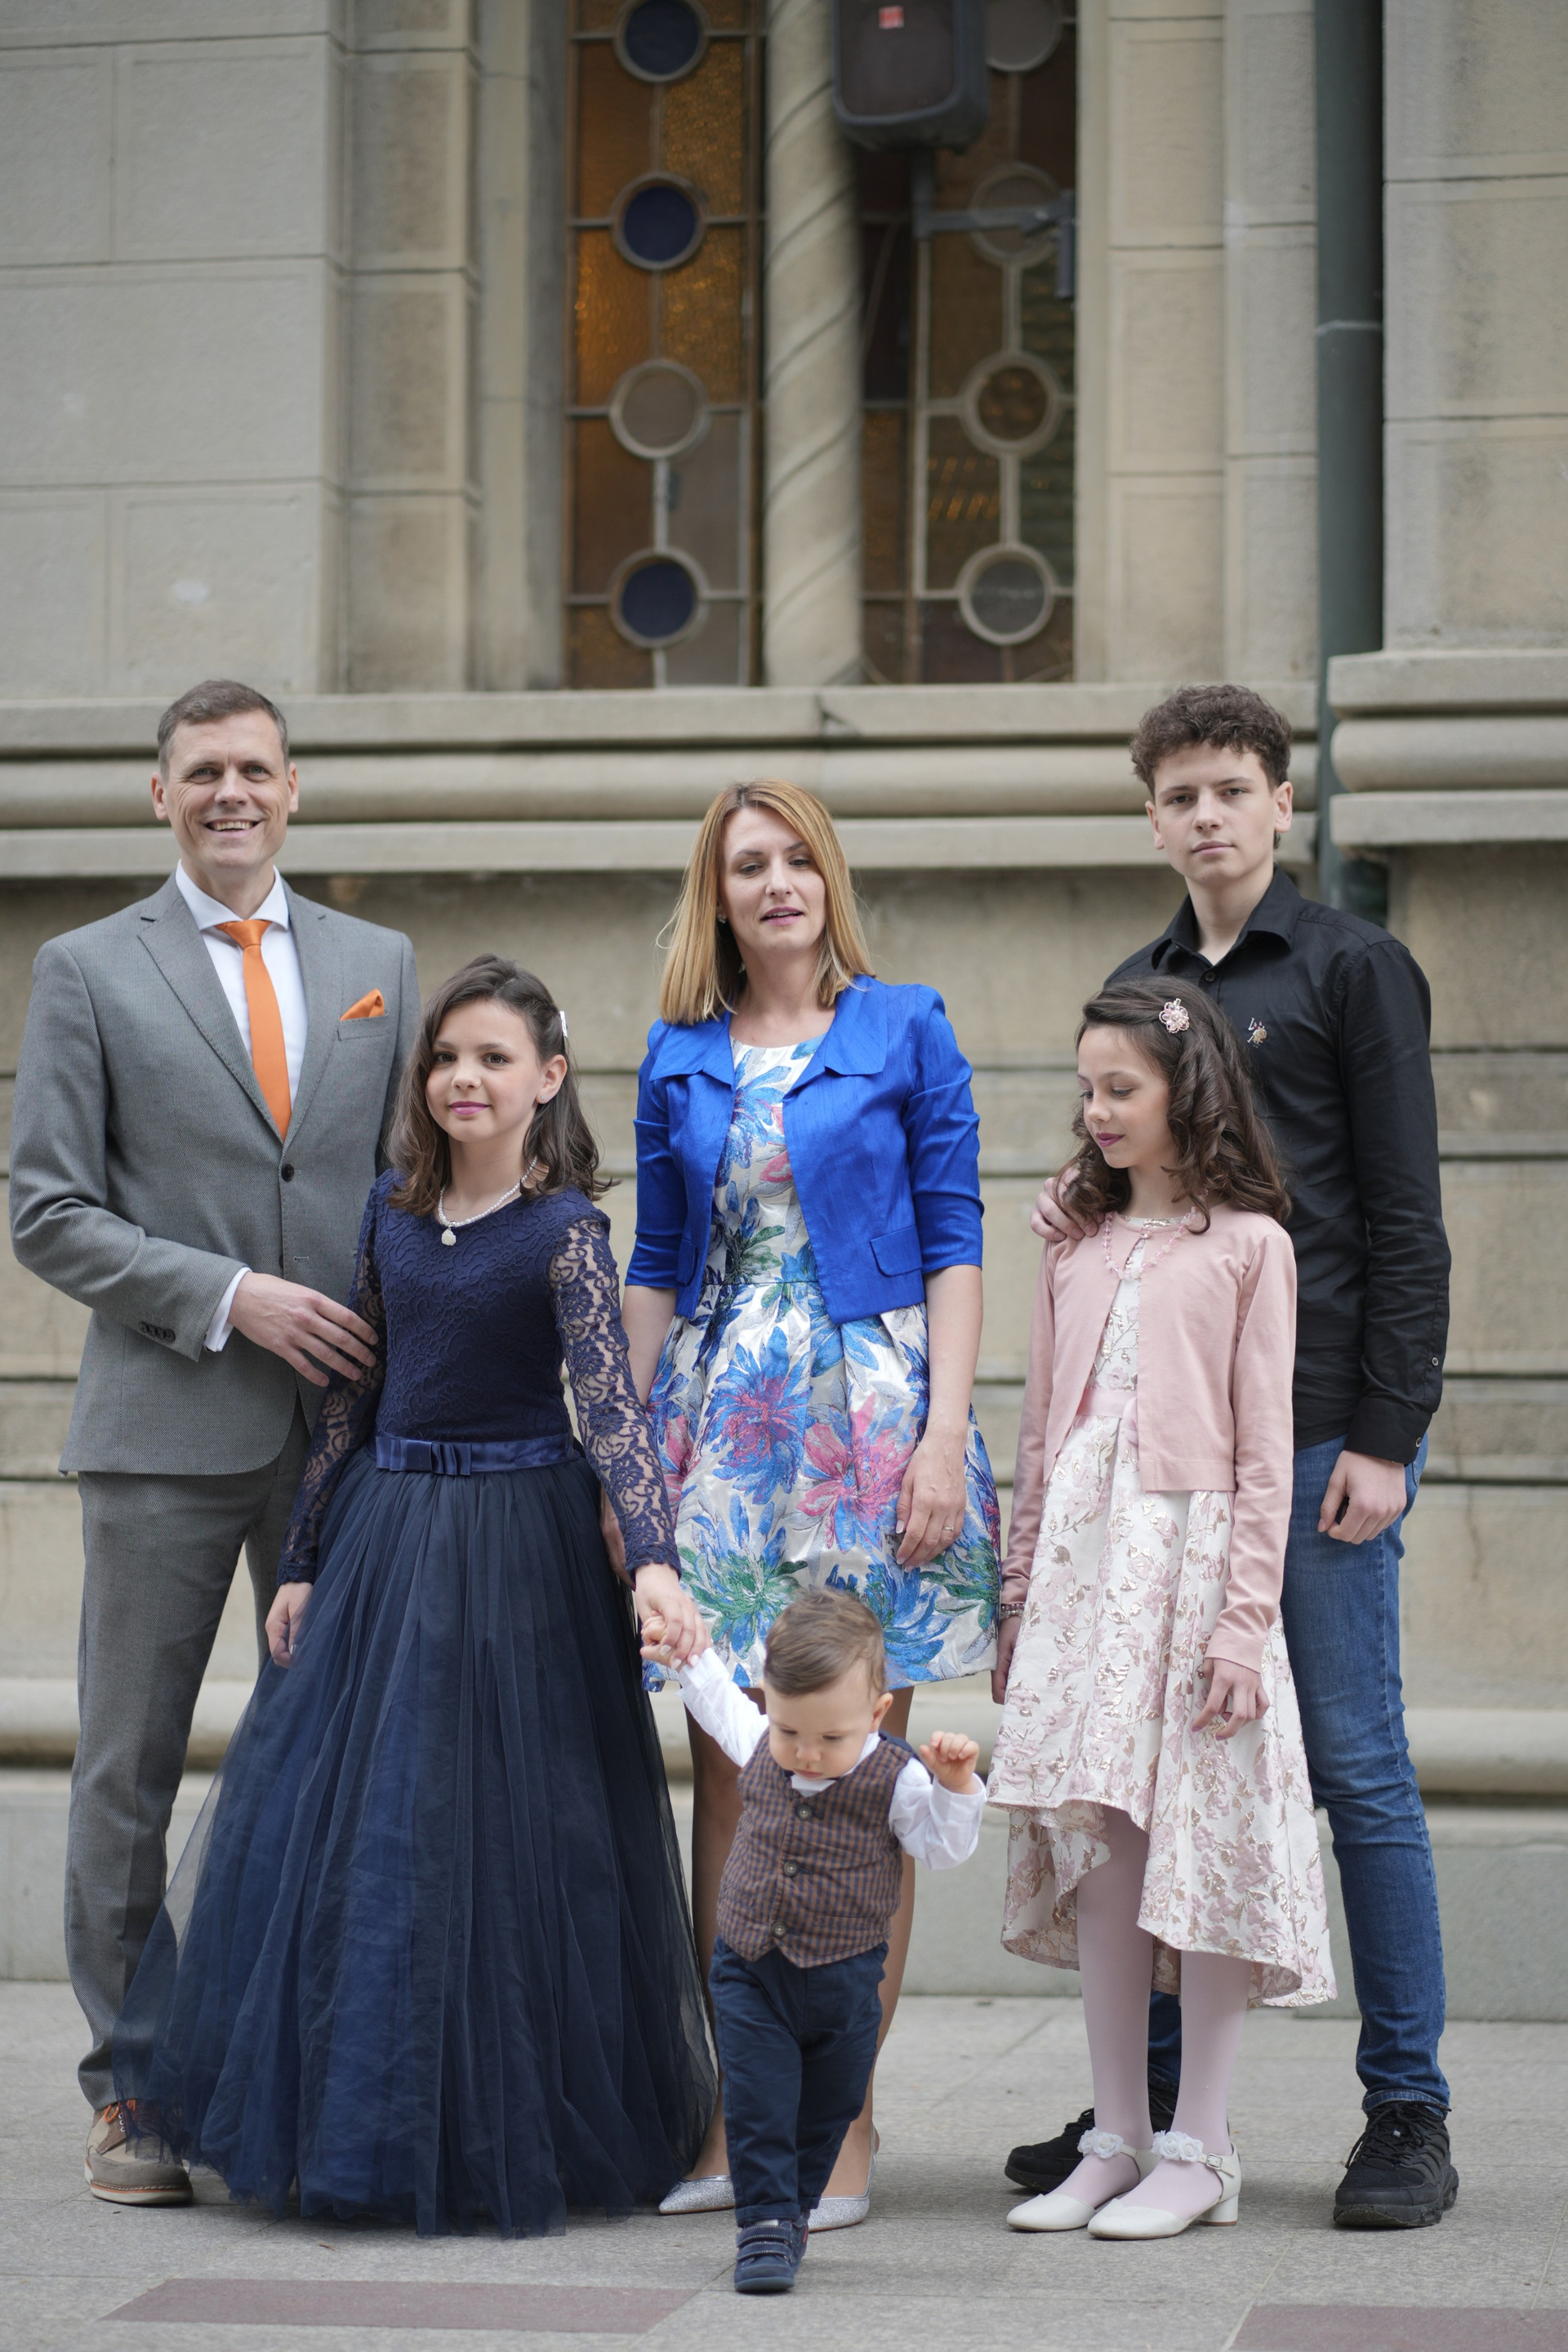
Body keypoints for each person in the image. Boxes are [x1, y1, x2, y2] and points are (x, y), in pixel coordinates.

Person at [111, 956, 716, 2235]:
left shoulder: (565, 1233)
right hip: (387, 1536)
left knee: (511, 1833)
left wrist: (654, 1557)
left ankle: (508, 2127)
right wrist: (302, 1561)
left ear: (548, 1079)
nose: (464, 1078)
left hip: (521, 1546)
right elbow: (352, 1401)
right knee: (371, 1831)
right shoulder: (390, 1214)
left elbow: (612, 1410)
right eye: (446, 1057)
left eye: (495, 1058)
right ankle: (357, 2121)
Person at [1013, 683, 1458, 2231]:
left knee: (1356, 1766)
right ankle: (1138, 2114)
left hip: (1321, 1433)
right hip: (1158, 1462)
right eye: (1180, 794)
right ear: (1152, 819)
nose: (1207, 815)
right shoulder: (1140, 987)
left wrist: (1390, 1434)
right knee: (1150, 1777)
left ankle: (1405, 2107)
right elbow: (1130, 1175)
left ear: (1282, 803)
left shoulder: (1351, 967)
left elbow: (1406, 1216)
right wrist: (1072, 1200)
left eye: (1232, 789)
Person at [8, 678, 419, 2206]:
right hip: (164, 1430)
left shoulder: (379, 965)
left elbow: (413, 1177)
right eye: (202, 772)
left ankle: (302, 2070)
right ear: (161, 795)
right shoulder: (83, 968)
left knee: (338, 1758)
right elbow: (45, 1209)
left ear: (293, 789)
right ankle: (133, 2086)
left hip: (344, 1438)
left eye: (254, 768)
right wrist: (231, 1296)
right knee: (127, 1768)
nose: (230, 792)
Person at [621, 779, 1000, 2227]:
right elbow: (657, 1265)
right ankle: (744, 2119)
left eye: (797, 859)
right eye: (747, 866)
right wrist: (626, 1467)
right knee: (732, 1774)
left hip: (873, 1429)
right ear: (715, 896)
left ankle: (841, 2124)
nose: (776, 883)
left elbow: (954, 1237)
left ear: (828, 877)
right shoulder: (678, 1054)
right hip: (722, 1440)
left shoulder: (906, 1026)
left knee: (855, 1785)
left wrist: (943, 1439)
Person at [991, 978, 1333, 2241]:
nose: (1096, 1110)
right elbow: (1040, 1429)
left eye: (1120, 1088)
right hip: (1088, 1577)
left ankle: (1203, 2147)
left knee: (1204, 1846)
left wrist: (1244, 1622)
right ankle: (1118, 2136)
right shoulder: (1071, 1243)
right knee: (1107, 1850)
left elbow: (1265, 1450)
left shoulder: (1251, 1246)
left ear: (1186, 1092)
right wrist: (1019, 1596)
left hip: (1193, 1570)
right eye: (1086, 1089)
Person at [644, 1588, 984, 2293]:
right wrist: (684, 1652)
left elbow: (941, 1849)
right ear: (770, 1703)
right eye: (789, 1731)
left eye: (831, 1739)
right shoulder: (759, 1742)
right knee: (759, 2102)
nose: (806, 1754)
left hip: (845, 1982)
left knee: (829, 2109)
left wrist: (955, 1790)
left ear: (877, 1714)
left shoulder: (896, 1778)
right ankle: (765, 2226)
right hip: (751, 1970)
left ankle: (795, 2205)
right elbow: (714, 1695)